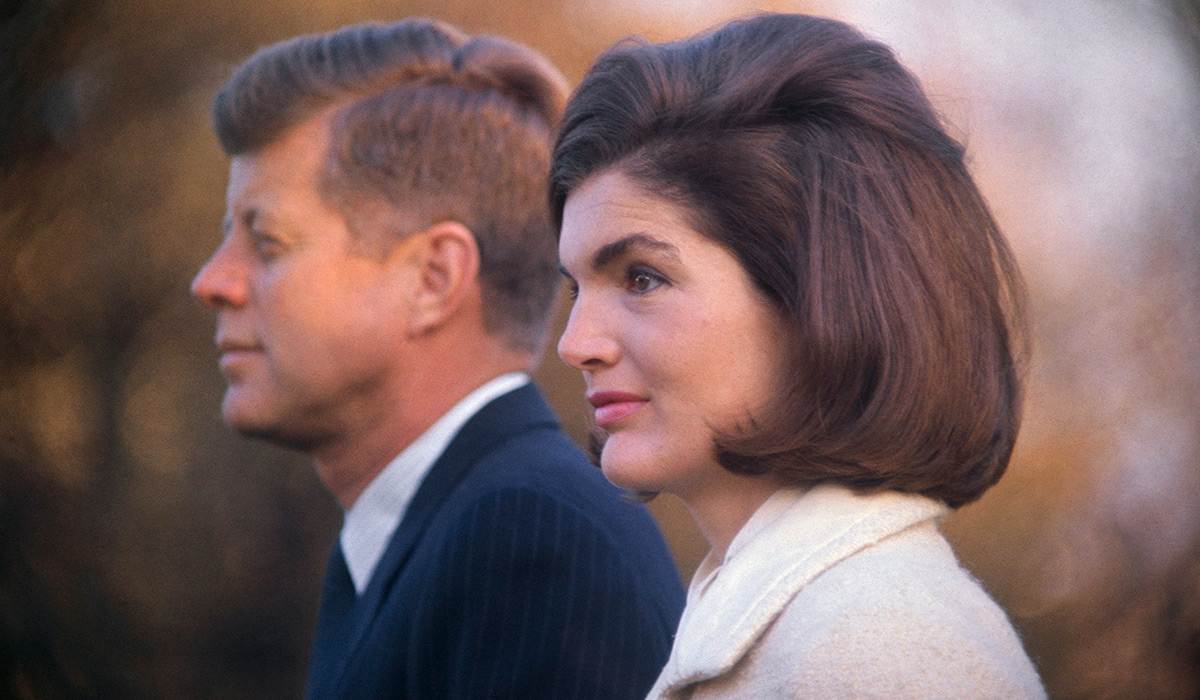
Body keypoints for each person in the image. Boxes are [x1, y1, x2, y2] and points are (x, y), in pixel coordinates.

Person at [552, 12, 1046, 699]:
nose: (575, 344)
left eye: (642, 278)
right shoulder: (807, 628)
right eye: (576, 287)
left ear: (820, 293)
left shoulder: (884, 650)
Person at [190, 18, 684, 700]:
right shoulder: (436, 534)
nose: (213, 281)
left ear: (433, 279)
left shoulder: (533, 543)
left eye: (266, 242)